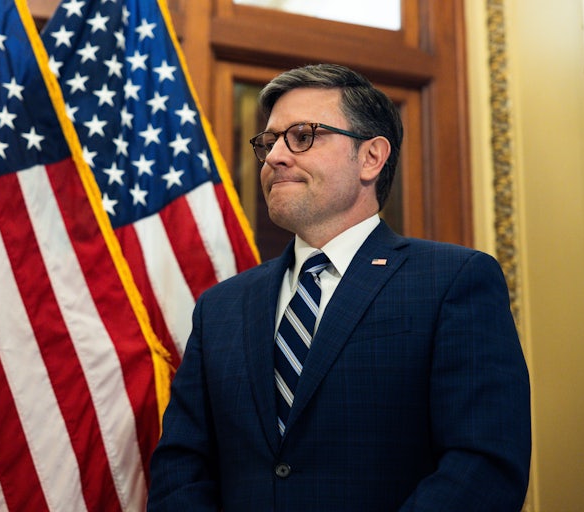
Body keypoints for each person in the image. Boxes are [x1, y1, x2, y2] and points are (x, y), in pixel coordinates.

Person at [147, 63, 531, 511]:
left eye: (303, 136)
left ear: (371, 157)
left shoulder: (453, 280)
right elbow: (181, 466)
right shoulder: (220, 307)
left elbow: (483, 465)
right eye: (269, 142)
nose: (274, 157)